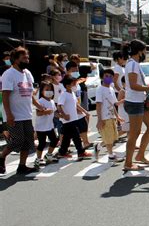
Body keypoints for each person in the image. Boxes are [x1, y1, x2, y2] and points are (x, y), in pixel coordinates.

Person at [0, 47, 48, 175]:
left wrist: (38, 106)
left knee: (28, 141)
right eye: (23, 58)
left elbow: (30, 93)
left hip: (26, 113)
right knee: (17, 140)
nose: (27, 60)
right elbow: (5, 95)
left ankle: (22, 166)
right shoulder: (9, 74)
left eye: (27, 57)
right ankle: (1, 156)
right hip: (14, 115)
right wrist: (9, 114)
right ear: (15, 60)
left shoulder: (27, 73)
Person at [123, 39, 149, 171]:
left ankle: (140, 155)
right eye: (144, 50)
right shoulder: (133, 64)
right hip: (134, 102)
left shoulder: (134, 64)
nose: (145, 53)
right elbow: (134, 85)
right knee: (134, 134)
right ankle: (128, 163)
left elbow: (137, 84)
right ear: (139, 51)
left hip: (139, 101)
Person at [56, 75, 92, 160]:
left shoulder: (71, 93)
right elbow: (59, 106)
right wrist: (64, 115)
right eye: (73, 84)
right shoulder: (64, 94)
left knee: (67, 137)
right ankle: (81, 152)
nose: (75, 85)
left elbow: (76, 105)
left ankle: (62, 152)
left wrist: (85, 111)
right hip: (68, 120)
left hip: (74, 118)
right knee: (76, 136)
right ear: (68, 85)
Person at [94, 69, 125, 163]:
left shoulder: (111, 89)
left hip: (112, 117)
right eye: (106, 76)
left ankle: (99, 146)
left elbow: (113, 104)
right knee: (109, 137)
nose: (108, 78)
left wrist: (117, 116)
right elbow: (98, 105)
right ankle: (111, 155)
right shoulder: (100, 89)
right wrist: (99, 119)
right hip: (104, 117)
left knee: (111, 137)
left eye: (111, 76)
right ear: (102, 77)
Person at [65, 61, 91, 148]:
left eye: (77, 68)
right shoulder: (66, 82)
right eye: (75, 69)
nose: (77, 70)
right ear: (69, 69)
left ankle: (86, 143)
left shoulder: (75, 81)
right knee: (67, 131)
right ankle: (63, 147)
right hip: (71, 110)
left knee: (83, 124)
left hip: (78, 108)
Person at [34, 81, 59, 168]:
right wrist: (45, 112)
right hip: (41, 127)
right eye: (47, 89)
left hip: (50, 126)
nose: (49, 91)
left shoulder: (52, 101)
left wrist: (61, 116)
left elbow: (55, 112)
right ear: (42, 91)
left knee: (55, 140)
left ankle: (49, 154)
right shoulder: (40, 101)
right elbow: (38, 113)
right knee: (42, 143)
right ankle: (38, 159)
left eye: (51, 89)